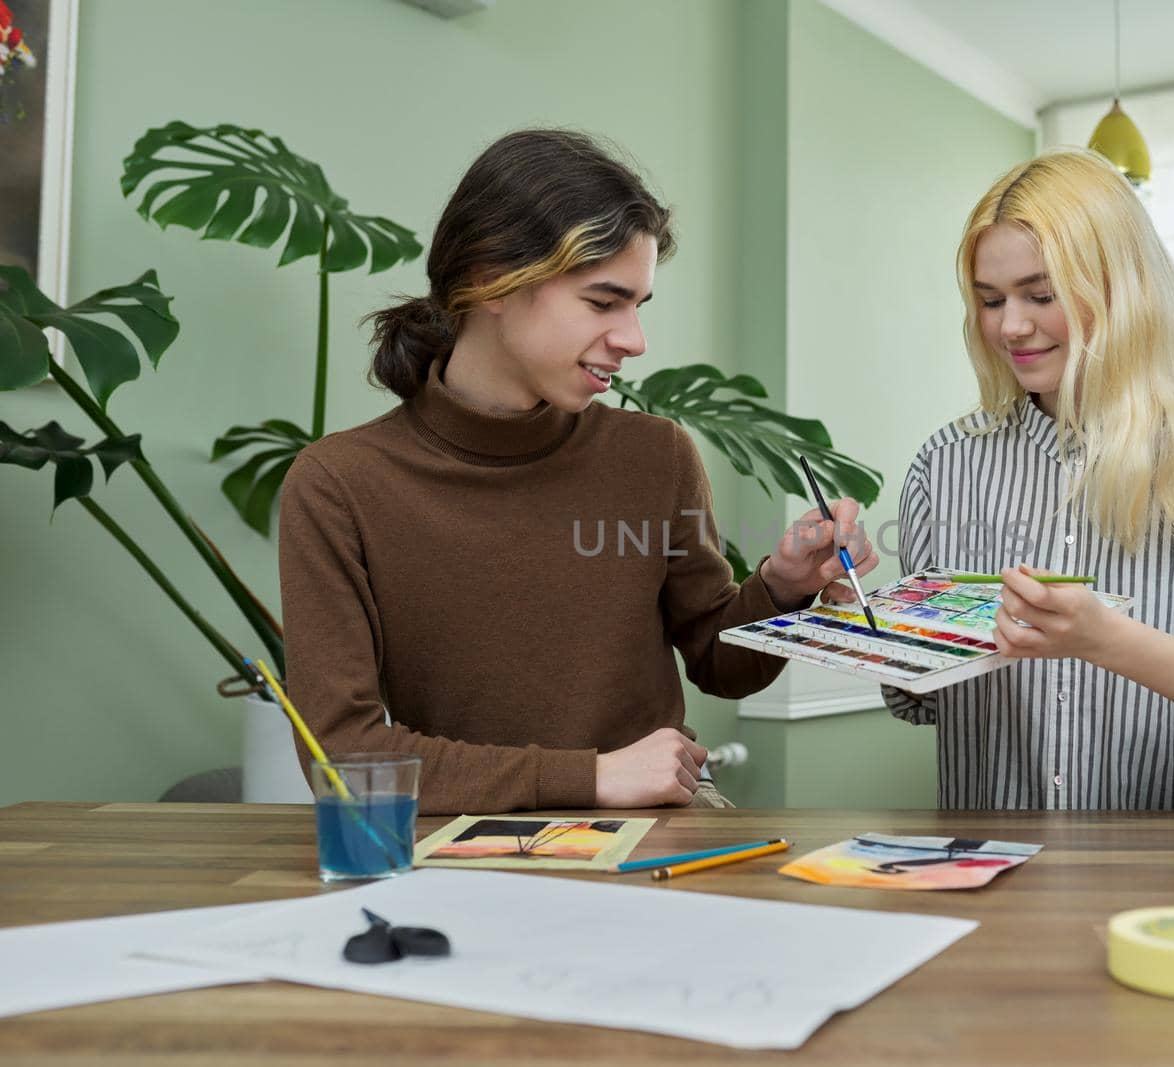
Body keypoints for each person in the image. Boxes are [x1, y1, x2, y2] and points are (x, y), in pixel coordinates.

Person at [279, 129, 875, 815]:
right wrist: (590, 776)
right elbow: (346, 757)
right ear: (489, 279)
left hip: (655, 832)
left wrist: (781, 586)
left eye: (638, 306)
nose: (634, 340)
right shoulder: (338, 485)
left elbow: (722, 662)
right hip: (465, 846)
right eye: (602, 302)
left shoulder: (654, 456)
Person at [882, 149, 1174, 810]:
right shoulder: (947, 464)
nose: (1011, 326)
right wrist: (854, 616)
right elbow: (918, 699)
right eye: (991, 301)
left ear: (1122, 287)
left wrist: (1110, 642)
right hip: (997, 869)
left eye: (1040, 294)